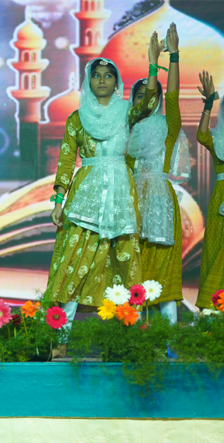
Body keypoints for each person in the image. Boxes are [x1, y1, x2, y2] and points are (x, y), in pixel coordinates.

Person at [46, 35, 162, 357]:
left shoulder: (126, 112)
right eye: (96, 75)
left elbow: (148, 103)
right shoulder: (76, 117)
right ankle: (59, 341)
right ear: (88, 80)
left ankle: (127, 342)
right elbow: (66, 160)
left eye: (108, 75)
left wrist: (153, 65)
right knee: (73, 263)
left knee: (123, 262)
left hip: (120, 193)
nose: (101, 80)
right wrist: (58, 202)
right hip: (86, 194)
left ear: (116, 81)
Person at [128, 24, 188, 324]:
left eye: (150, 95)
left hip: (160, 206)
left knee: (163, 272)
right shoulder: (125, 131)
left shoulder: (168, 126)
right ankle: (131, 339)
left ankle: (169, 341)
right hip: (129, 205)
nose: (146, 100)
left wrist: (173, 56)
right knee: (131, 274)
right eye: (139, 96)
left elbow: (173, 96)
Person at [195, 70, 224, 310]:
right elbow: (201, 135)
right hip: (220, 198)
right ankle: (213, 305)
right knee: (217, 247)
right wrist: (208, 103)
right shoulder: (218, 138)